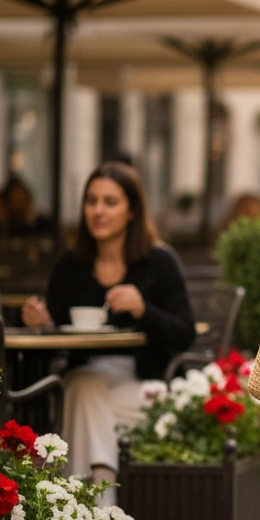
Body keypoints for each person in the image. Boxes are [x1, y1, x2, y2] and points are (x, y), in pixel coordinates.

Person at [21, 162, 195, 480]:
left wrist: (144, 310)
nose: (98, 211)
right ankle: (103, 496)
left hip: (144, 386)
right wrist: (41, 322)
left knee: (78, 398)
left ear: (132, 211)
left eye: (110, 202)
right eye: (91, 201)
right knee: (84, 386)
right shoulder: (70, 265)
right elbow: (54, 332)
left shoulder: (159, 262)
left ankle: (80, 509)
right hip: (86, 376)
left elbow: (185, 333)